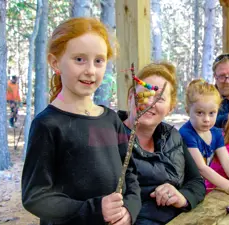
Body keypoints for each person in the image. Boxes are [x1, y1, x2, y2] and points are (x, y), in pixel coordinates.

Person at [21, 18, 141, 225]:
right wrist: (95, 209)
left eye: (99, 61)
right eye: (79, 59)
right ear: (55, 62)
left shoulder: (111, 120)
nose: (91, 70)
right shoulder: (48, 125)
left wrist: (129, 209)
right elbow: (36, 196)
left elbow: (130, 172)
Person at [118, 62, 205, 225]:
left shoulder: (173, 136)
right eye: (145, 93)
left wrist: (182, 197)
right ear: (131, 96)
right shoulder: (109, 134)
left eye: (159, 98)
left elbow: (196, 181)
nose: (150, 102)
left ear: (170, 108)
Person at [179, 79, 229, 196]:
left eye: (212, 113)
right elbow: (201, 168)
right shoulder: (186, 133)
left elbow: (227, 160)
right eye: (200, 113)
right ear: (188, 110)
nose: (206, 119)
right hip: (184, 188)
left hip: (201, 186)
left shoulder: (216, 133)